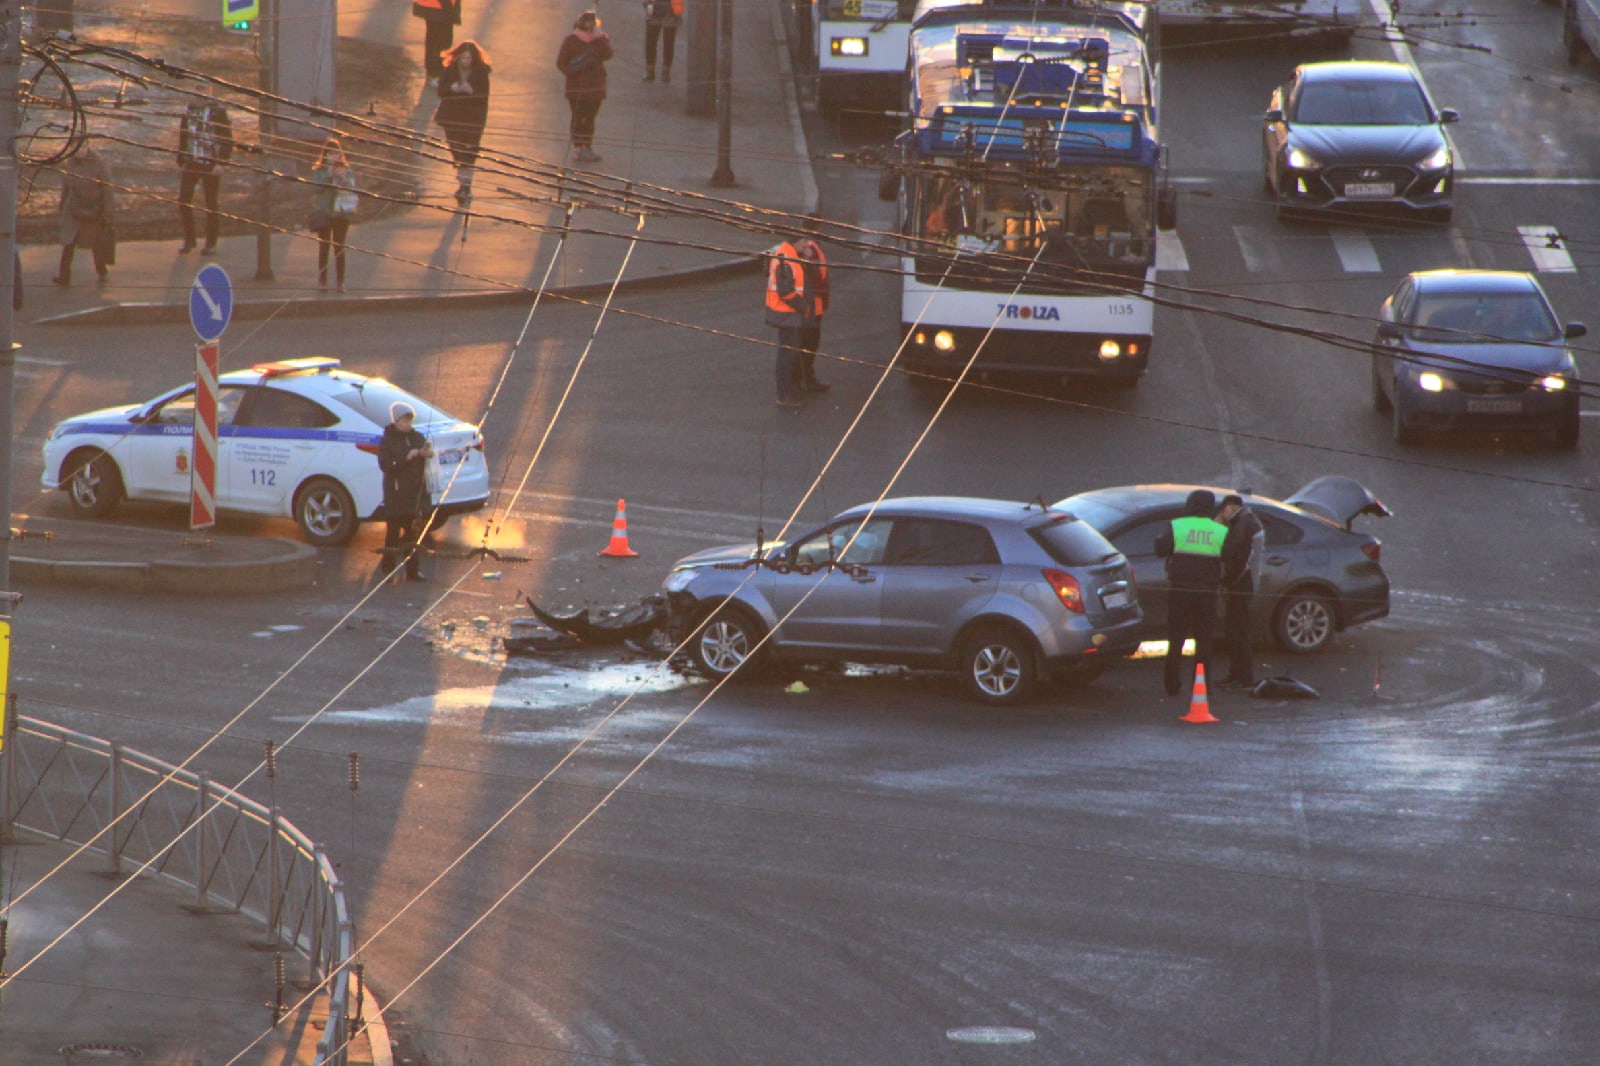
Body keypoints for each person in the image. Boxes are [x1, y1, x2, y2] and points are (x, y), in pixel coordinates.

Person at [1154, 489, 1227, 698]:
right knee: (1204, 642)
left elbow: (1159, 548)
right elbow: (1230, 554)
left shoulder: (1177, 525)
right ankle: (1202, 686)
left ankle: (1172, 685)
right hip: (1207, 593)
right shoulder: (1219, 530)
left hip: (1179, 591)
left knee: (1176, 639)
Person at [378, 402, 433, 581]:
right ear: (396, 421)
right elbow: (385, 465)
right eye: (404, 420)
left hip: (414, 495)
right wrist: (406, 458)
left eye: (409, 420)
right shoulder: (387, 440)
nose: (407, 424)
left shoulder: (417, 436)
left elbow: (428, 452)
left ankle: (412, 571)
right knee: (392, 534)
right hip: (396, 495)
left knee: (412, 535)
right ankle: (388, 567)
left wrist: (426, 452)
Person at [176, 85, 234, 255]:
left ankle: (210, 243)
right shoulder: (188, 112)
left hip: (210, 163)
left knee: (211, 203)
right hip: (191, 161)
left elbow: (227, 140)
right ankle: (189, 239)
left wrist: (221, 163)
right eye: (194, 95)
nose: (196, 98)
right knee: (183, 199)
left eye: (200, 95)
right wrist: (181, 158)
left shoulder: (218, 112)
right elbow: (183, 135)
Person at [434, 40, 492, 205]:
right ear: (458, 57)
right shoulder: (450, 70)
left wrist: (471, 91)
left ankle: (465, 186)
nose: (466, 61)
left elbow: (484, 97)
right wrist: (452, 88)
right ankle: (463, 181)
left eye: (469, 58)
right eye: (463, 58)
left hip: (472, 119)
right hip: (452, 117)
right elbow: (440, 91)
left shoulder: (481, 73)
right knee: (456, 151)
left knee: (469, 154)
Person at [1216, 493, 1265, 689]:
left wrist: (1226, 582)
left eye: (1224, 510)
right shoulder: (1246, 522)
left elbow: (1233, 556)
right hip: (1243, 584)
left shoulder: (1243, 525)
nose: (1222, 514)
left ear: (1232, 507)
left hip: (1241, 585)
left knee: (1239, 631)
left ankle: (1243, 677)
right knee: (1235, 630)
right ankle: (1236, 674)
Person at [556, 11, 614, 164]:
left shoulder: (598, 41)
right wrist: (574, 71)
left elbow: (608, 54)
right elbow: (561, 63)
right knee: (579, 118)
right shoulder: (571, 41)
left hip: (593, 90)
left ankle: (585, 148)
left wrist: (600, 38)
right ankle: (579, 148)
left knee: (588, 119)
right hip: (580, 89)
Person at [52, 146, 114, 287]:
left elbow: (108, 188)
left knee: (95, 241)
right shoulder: (70, 162)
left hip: (94, 208)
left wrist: (107, 212)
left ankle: (101, 270)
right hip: (73, 207)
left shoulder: (99, 162)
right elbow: (66, 185)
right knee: (69, 240)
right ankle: (64, 276)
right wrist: (62, 204)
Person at [310, 137, 358, 293]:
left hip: (341, 212)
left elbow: (352, 187)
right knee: (324, 247)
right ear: (325, 155)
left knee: (339, 247)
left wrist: (343, 177)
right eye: (330, 153)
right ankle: (322, 280)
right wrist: (329, 175)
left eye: (336, 153)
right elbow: (316, 188)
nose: (333, 157)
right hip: (324, 211)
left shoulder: (347, 169)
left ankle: (340, 282)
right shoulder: (319, 170)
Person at [765, 238, 808, 409]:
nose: (806, 245)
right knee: (786, 355)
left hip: (785, 312)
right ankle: (784, 395)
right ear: (796, 242)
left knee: (788, 354)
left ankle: (787, 391)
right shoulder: (786, 259)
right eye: (804, 242)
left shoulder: (785, 253)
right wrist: (803, 306)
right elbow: (786, 291)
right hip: (785, 313)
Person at [794, 230, 831, 394]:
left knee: (807, 343)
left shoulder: (812, 248)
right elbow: (816, 279)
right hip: (812, 306)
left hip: (814, 305)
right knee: (809, 344)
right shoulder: (810, 250)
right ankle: (803, 379)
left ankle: (801, 377)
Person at [411, 0, 461, 81]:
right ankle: (434, 73)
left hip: (438, 7)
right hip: (437, 7)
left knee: (440, 40)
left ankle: (436, 72)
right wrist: (450, 10)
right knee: (437, 41)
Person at [642, 0, 683, 83]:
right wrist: (649, 13)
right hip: (655, 13)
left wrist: (674, 14)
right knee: (651, 42)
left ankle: (665, 72)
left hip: (671, 13)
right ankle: (652, 71)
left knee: (668, 43)